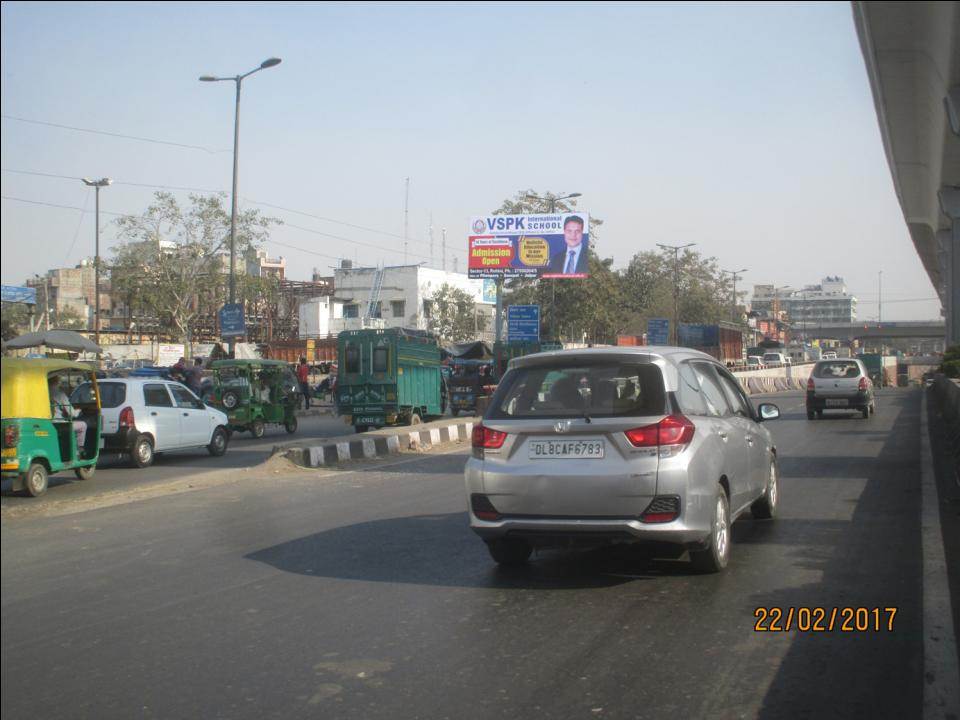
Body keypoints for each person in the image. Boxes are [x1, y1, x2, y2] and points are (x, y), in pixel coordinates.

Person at [48, 375, 87, 452]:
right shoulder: (60, 394)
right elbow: (72, 414)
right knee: (83, 425)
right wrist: (79, 410)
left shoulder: (43, 392)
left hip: (48, 423)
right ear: (57, 382)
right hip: (59, 424)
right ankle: (79, 448)